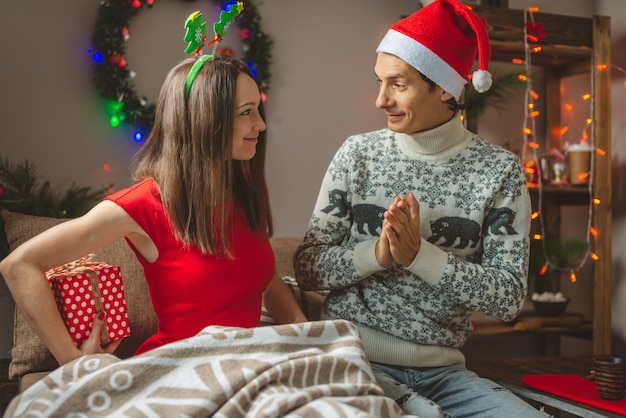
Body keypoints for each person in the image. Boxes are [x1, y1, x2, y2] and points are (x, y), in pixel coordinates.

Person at [294, 0, 545, 417]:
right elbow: (307, 267)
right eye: (380, 82)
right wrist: (376, 255)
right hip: (355, 361)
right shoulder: (358, 155)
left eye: (398, 84)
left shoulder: (498, 171)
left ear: (444, 87)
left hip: (446, 375)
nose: (380, 100)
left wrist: (420, 257)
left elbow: (509, 299)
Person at [0, 53, 307, 367]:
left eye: (257, 109)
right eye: (247, 112)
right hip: (179, 370)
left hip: (249, 364)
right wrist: (71, 359)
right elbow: (20, 266)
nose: (261, 124)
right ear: (205, 119)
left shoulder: (247, 190)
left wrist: (300, 327)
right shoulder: (143, 204)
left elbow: (262, 276)